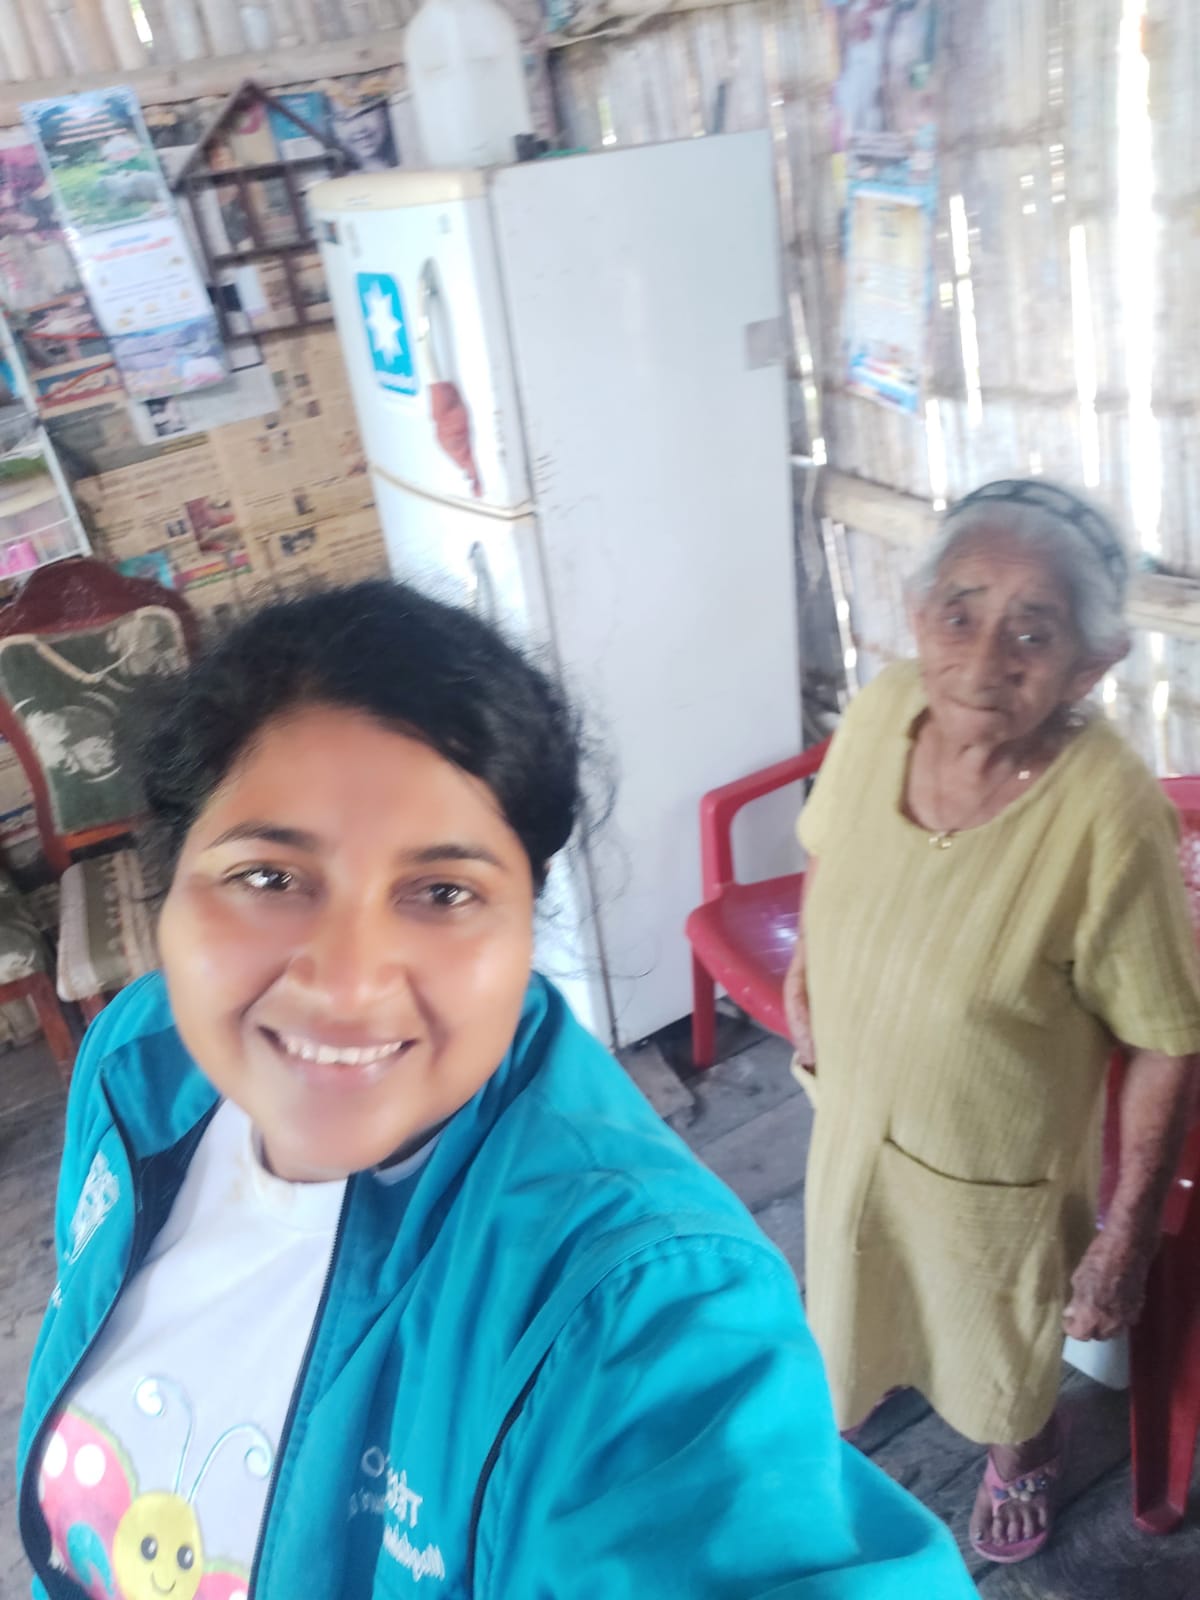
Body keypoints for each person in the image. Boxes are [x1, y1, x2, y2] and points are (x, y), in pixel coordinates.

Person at [19, 582, 974, 1599]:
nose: (346, 983)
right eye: (269, 877)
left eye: (443, 892)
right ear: (169, 888)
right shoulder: (141, 1062)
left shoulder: (635, 1304)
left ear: (527, 929)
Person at [784, 478, 1200, 1566]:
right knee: (853, 1272)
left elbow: (1165, 1035)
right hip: (856, 1114)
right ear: (918, 613)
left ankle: (1026, 1448)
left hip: (993, 1165)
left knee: (997, 1338)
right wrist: (807, 969)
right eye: (960, 613)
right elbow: (829, 846)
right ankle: (868, 1376)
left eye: (1034, 630)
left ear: (1090, 665)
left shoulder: (1109, 812)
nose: (982, 660)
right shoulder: (886, 708)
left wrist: (1122, 1240)